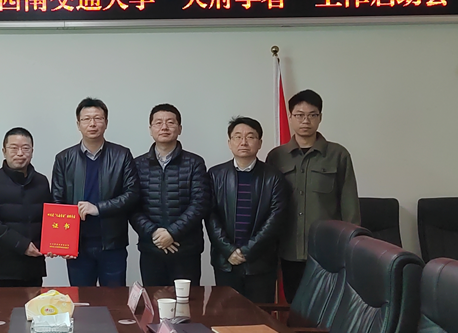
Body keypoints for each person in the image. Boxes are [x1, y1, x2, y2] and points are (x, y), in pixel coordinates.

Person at [266, 89, 360, 301]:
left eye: (312, 115)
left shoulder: (338, 155)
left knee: (327, 307)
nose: (305, 121)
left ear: (320, 117)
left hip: (327, 250)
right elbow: (268, 204)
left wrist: (350, 247)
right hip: (288, 249)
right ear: (290, 117)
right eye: (299, 115)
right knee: (294, 305)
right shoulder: (277, 156)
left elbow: (350, 205)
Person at [51, 97, 139, 287]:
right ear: (78, 124)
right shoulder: (64, 158)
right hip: (77, 245)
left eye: (98, 118)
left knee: (114, 299)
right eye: (86, 119)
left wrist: (98, 208)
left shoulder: (122, 155)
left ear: (106, 123)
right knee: (82, 300)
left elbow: (132, 194)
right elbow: (57, 201)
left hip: (112, 243)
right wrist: (62, 242)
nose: (92, 124)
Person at [207, 117, 288, 303]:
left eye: (250, 137)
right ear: (229, 142)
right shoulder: (215, 175)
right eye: (237, 137)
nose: (243, 142)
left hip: (261, 263)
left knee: (260, 315)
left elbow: (276, 218)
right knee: (227, 315)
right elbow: (210, 216)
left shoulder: (274, 177)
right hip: (226, 261)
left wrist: (247, 251)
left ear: (259, 143)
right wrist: (228, 250)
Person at [130, 104, 210, 286]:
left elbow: (200, 203)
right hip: (151, 249)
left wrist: (172, 233)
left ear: (179, 129)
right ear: (150, 129)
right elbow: (132, 206)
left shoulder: (195, 163)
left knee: (187, 301)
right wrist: (155, 233)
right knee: (154, 300)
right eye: (158, 123)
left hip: (185, 250)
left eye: (170, 122)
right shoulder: (137, 164)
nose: (164, 127)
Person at [0, 127, 52, 287]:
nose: (20, 153)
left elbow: (50, 219)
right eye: (14, 148)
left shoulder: (41, 182)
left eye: (25, 148)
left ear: (32, 151)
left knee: (34, 304)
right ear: (4, 151)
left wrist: (55, 245)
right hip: (1, 269)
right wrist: (22, 245)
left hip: (33, 267)